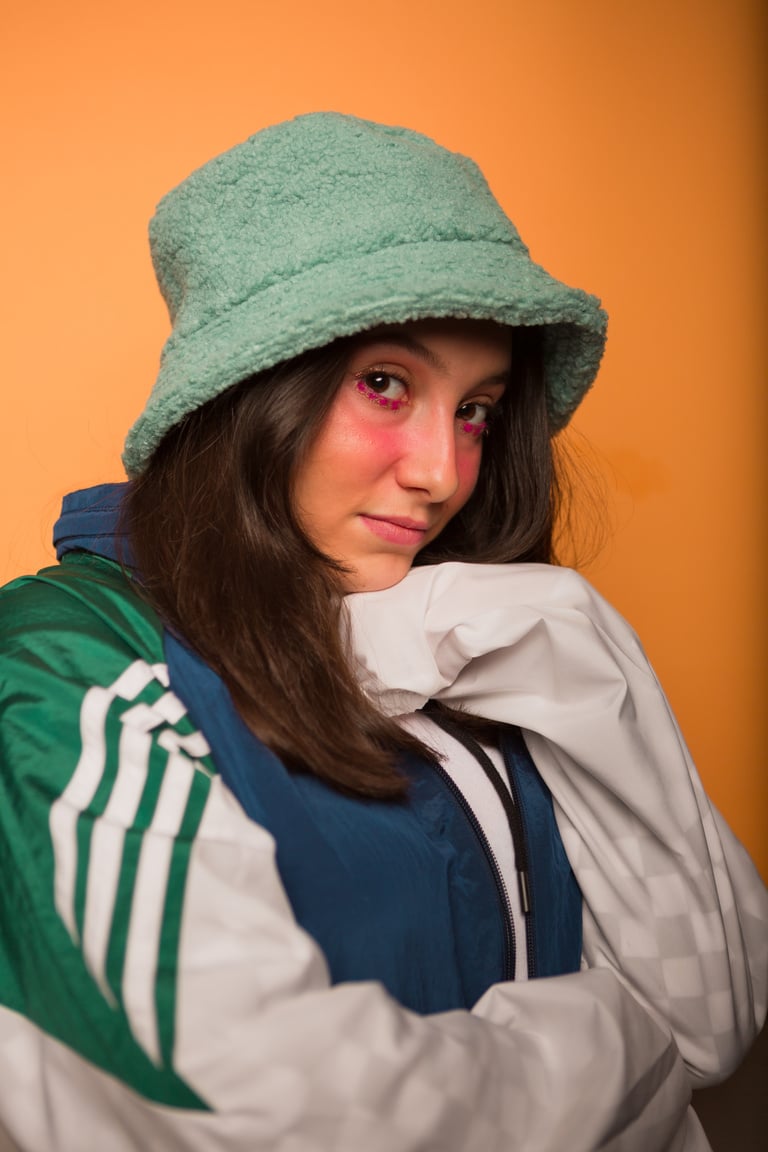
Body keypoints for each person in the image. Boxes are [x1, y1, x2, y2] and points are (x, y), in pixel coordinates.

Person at [0, 112, 764, 1152]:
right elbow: (273, 1115)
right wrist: (629, 1046)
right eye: (386, 384)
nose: (443, 474)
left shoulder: (473, 639)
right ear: (246, 391)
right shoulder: (67, 660)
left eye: (477, 411)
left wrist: (567, 642)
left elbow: (718, 1001)